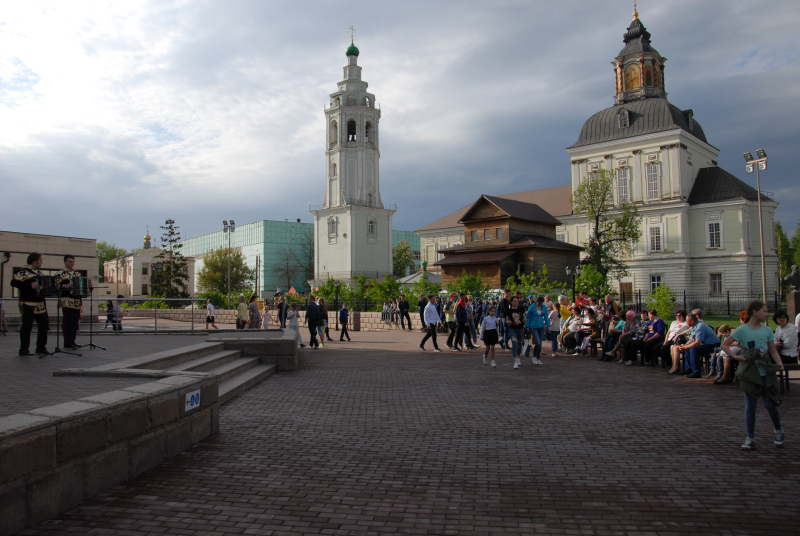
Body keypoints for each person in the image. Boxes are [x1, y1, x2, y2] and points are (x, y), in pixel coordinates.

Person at [719, 300, 785, 450]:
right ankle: (750, 437)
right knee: (750, 405)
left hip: (765, 371)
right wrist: (735, 357)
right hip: (750, 372)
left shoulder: (767, 330)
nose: (767, 314)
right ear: (755, 312)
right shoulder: (742, 330)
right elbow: (724, 344)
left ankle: (778, 430)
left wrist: (779, 363)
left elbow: (773, 350)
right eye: (764, 311)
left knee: (770, 404)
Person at [10, 252, 49, 355]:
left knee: (44, 325)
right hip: (28, 303)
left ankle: (41, 347)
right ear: (34, 261)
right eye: (40, 261)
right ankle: (24, 349)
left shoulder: (39, 273)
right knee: (27, 326)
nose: (41, 263)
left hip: (40, 303)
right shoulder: (24, 272)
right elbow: (13, 283)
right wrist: (29, 285)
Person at [55, 254, 89, 349]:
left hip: (77, 300)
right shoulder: (60, 273)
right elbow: (55, 286)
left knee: (75, 323)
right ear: (65, 262)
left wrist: (88, 287)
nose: (72, 263)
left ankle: (72, 341)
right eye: (70, 262)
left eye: (73, 262)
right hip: (67, 300)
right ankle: (67, 342)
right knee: (68, 322)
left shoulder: (77, 274)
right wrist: (65, 286)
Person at [675, 313, 720, 378]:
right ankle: (689, 369)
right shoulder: (694, 327)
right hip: (706, 344)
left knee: (694, 349)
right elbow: (693, 339)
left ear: (692, 321)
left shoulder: (700, 326)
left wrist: (686, 346)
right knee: (688, 349)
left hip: (714, 345)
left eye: (687, 321)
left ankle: (696, 372)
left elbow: (698, 342)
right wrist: (684, 346)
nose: (686, 322)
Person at [525, 295, 550, 365]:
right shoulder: (532, 307)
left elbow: (546, 317)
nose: (540, 304)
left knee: (540, 344)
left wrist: (548, 326)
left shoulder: (544, 307)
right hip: (533, 326)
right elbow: (528, 317)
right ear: (537, 301)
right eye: (539, 302)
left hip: (541, 326)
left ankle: (538, 357)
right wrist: (527, 325)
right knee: (538, 342)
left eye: (542, 302)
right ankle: (534, 356)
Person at [505, 296, 526, 369]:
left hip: (520, 328)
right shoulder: (509, 311)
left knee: (520, 344)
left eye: (517, 301)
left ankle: (518, 356)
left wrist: (524, 320)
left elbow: (524, 318)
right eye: (514, 301)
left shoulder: (521, 309)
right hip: (513, 329)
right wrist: (509, 321)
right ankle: (515, 361)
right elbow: (506, 320)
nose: (516, 302)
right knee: (514, 344)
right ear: (511, 302)